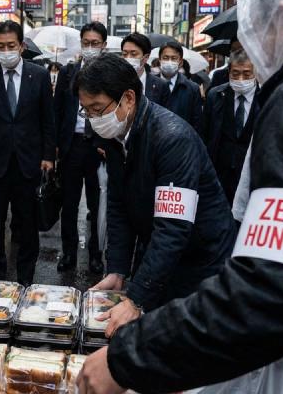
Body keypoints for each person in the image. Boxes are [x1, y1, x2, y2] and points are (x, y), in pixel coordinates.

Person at [75, 0, 283, 393]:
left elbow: (271, 288)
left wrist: (129, 355)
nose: (254, 57)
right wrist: (117, 269)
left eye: (253, 38)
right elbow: (120, 206)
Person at [81, 53, 235, 336]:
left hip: (200, 259)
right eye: (86, 112)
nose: (93, 120)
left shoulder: (172, 138)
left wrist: (137, 298)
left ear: (128, 98)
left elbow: (173, 228)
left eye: (98, 109)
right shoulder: (116, 137)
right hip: (160, 250)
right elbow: (118, 206)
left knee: (181, 342)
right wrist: (117, 270)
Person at [0, 21, 56, 285]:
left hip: (29, 163)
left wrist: (48, 156)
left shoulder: (38, 75)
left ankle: (25, 281)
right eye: (0, 47)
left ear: (22, 46)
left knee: (27, 226)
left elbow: (47, 120)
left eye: (11, 46)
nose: (6, 51)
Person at [53, 21, 107, 274]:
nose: (90, 48)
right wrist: (53, 147)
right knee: (70, 203)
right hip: (71, 145)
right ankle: (69, 253)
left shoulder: (110, 72)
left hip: (99, 147)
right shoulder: (68, 72)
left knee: (97, 206)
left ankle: (96, 255)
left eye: (95, 43)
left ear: (103, 45)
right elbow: (57, 110)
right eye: (86, 43)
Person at [202, 48, 260, 205]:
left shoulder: (265, 98)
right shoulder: (215, 96)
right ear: (228, 72)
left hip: (250, 175)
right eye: (235, 74)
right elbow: (204, 134)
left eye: (247, 74)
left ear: (256, 72)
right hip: (219, 174)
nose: (241, 79)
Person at [159, 41, 203, 131]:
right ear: (160, 60)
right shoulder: (150, 84)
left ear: (180, 62)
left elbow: (197, 122)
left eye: (174, 58)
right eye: (165, 58)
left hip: (182, 141)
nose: (169, 62)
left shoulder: (192, 89)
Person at [120, 32, 170, 106]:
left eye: (134, 54)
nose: (128, 58)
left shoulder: (161, 85)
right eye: (124, 54)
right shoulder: (114, 81)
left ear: (146, 57)